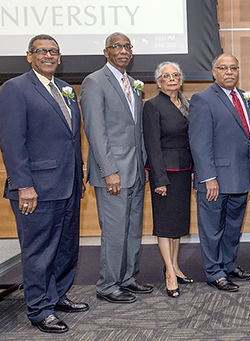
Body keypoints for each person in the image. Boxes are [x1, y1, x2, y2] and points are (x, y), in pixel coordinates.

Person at [0, 34, 87, 333]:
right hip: (36, 188)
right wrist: (23, 185)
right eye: (42, 51)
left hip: (68, 184)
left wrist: (79, 174)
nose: (48, 56)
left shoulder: (65, 89)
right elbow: (12, 142)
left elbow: (72, 139)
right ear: (29, 55)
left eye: (54, 51)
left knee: (65, 247)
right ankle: (39, 309)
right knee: (39, 252)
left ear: (60, 57)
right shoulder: (15, 88)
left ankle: (57, 296)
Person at [81, 32, 153, 304]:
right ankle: (108, 284)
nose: (123, 51)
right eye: (117, 46)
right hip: (112, 173)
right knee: (113, 231)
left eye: (127, 46)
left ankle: (127, 278)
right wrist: (109, 170)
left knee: (133, 229)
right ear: (106, 51)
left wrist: (144, 163)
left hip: (135, 170)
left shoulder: (132, 84)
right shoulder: (95, 81)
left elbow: (136, 129)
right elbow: (95, 131)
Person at [188, 54, 250, 292]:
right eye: (223, 68)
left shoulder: (244, 98)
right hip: (215, 179)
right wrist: (208, 177)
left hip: (240, 176)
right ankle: (214, 272)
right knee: (212, 229)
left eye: (233, 68)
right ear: (214, 72)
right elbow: (199, 143)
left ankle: (228, 264)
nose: (229, 72)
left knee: (232, 228)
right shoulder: (203, 99)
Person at [143, 61, 194, 298]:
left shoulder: (186, 104)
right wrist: (159, 179)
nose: (171, 78)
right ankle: (169, 275)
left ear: (181, 80)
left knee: (177, 226)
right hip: (164, 173)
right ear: (159, 82)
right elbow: (152, 145)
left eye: (175, 74)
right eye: (166, 75)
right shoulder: (152, 106)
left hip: (184, 171)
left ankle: (175, 266)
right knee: (165, 225)